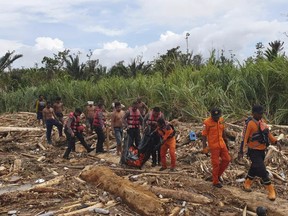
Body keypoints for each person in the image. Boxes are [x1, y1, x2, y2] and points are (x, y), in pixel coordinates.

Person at [238, 105, 280, 201]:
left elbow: (268, 134)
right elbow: (244, 138)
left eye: (262, 113)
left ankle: (247, 183)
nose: (261, 115)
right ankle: (270, 190)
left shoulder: (262, 122)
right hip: (253, 151)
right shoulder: (249, 124)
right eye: (259, 114)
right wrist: (241, 151)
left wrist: (276, 142)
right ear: (253, 113)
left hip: (262, 150)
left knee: (255, 167)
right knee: (262, 170)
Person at [202, 108, 231, 188]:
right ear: (211, 115)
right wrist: (204, 148)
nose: (216, 118)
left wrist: (226, 142)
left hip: (222, 144)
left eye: (218, 117)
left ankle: (218, 175)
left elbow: (223, 131)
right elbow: (204, 135)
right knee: (216, 164)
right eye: (215, 117)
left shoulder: (221, 120)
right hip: (213, 146)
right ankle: (215, 181)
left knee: (227, 159)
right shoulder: (207, 122)